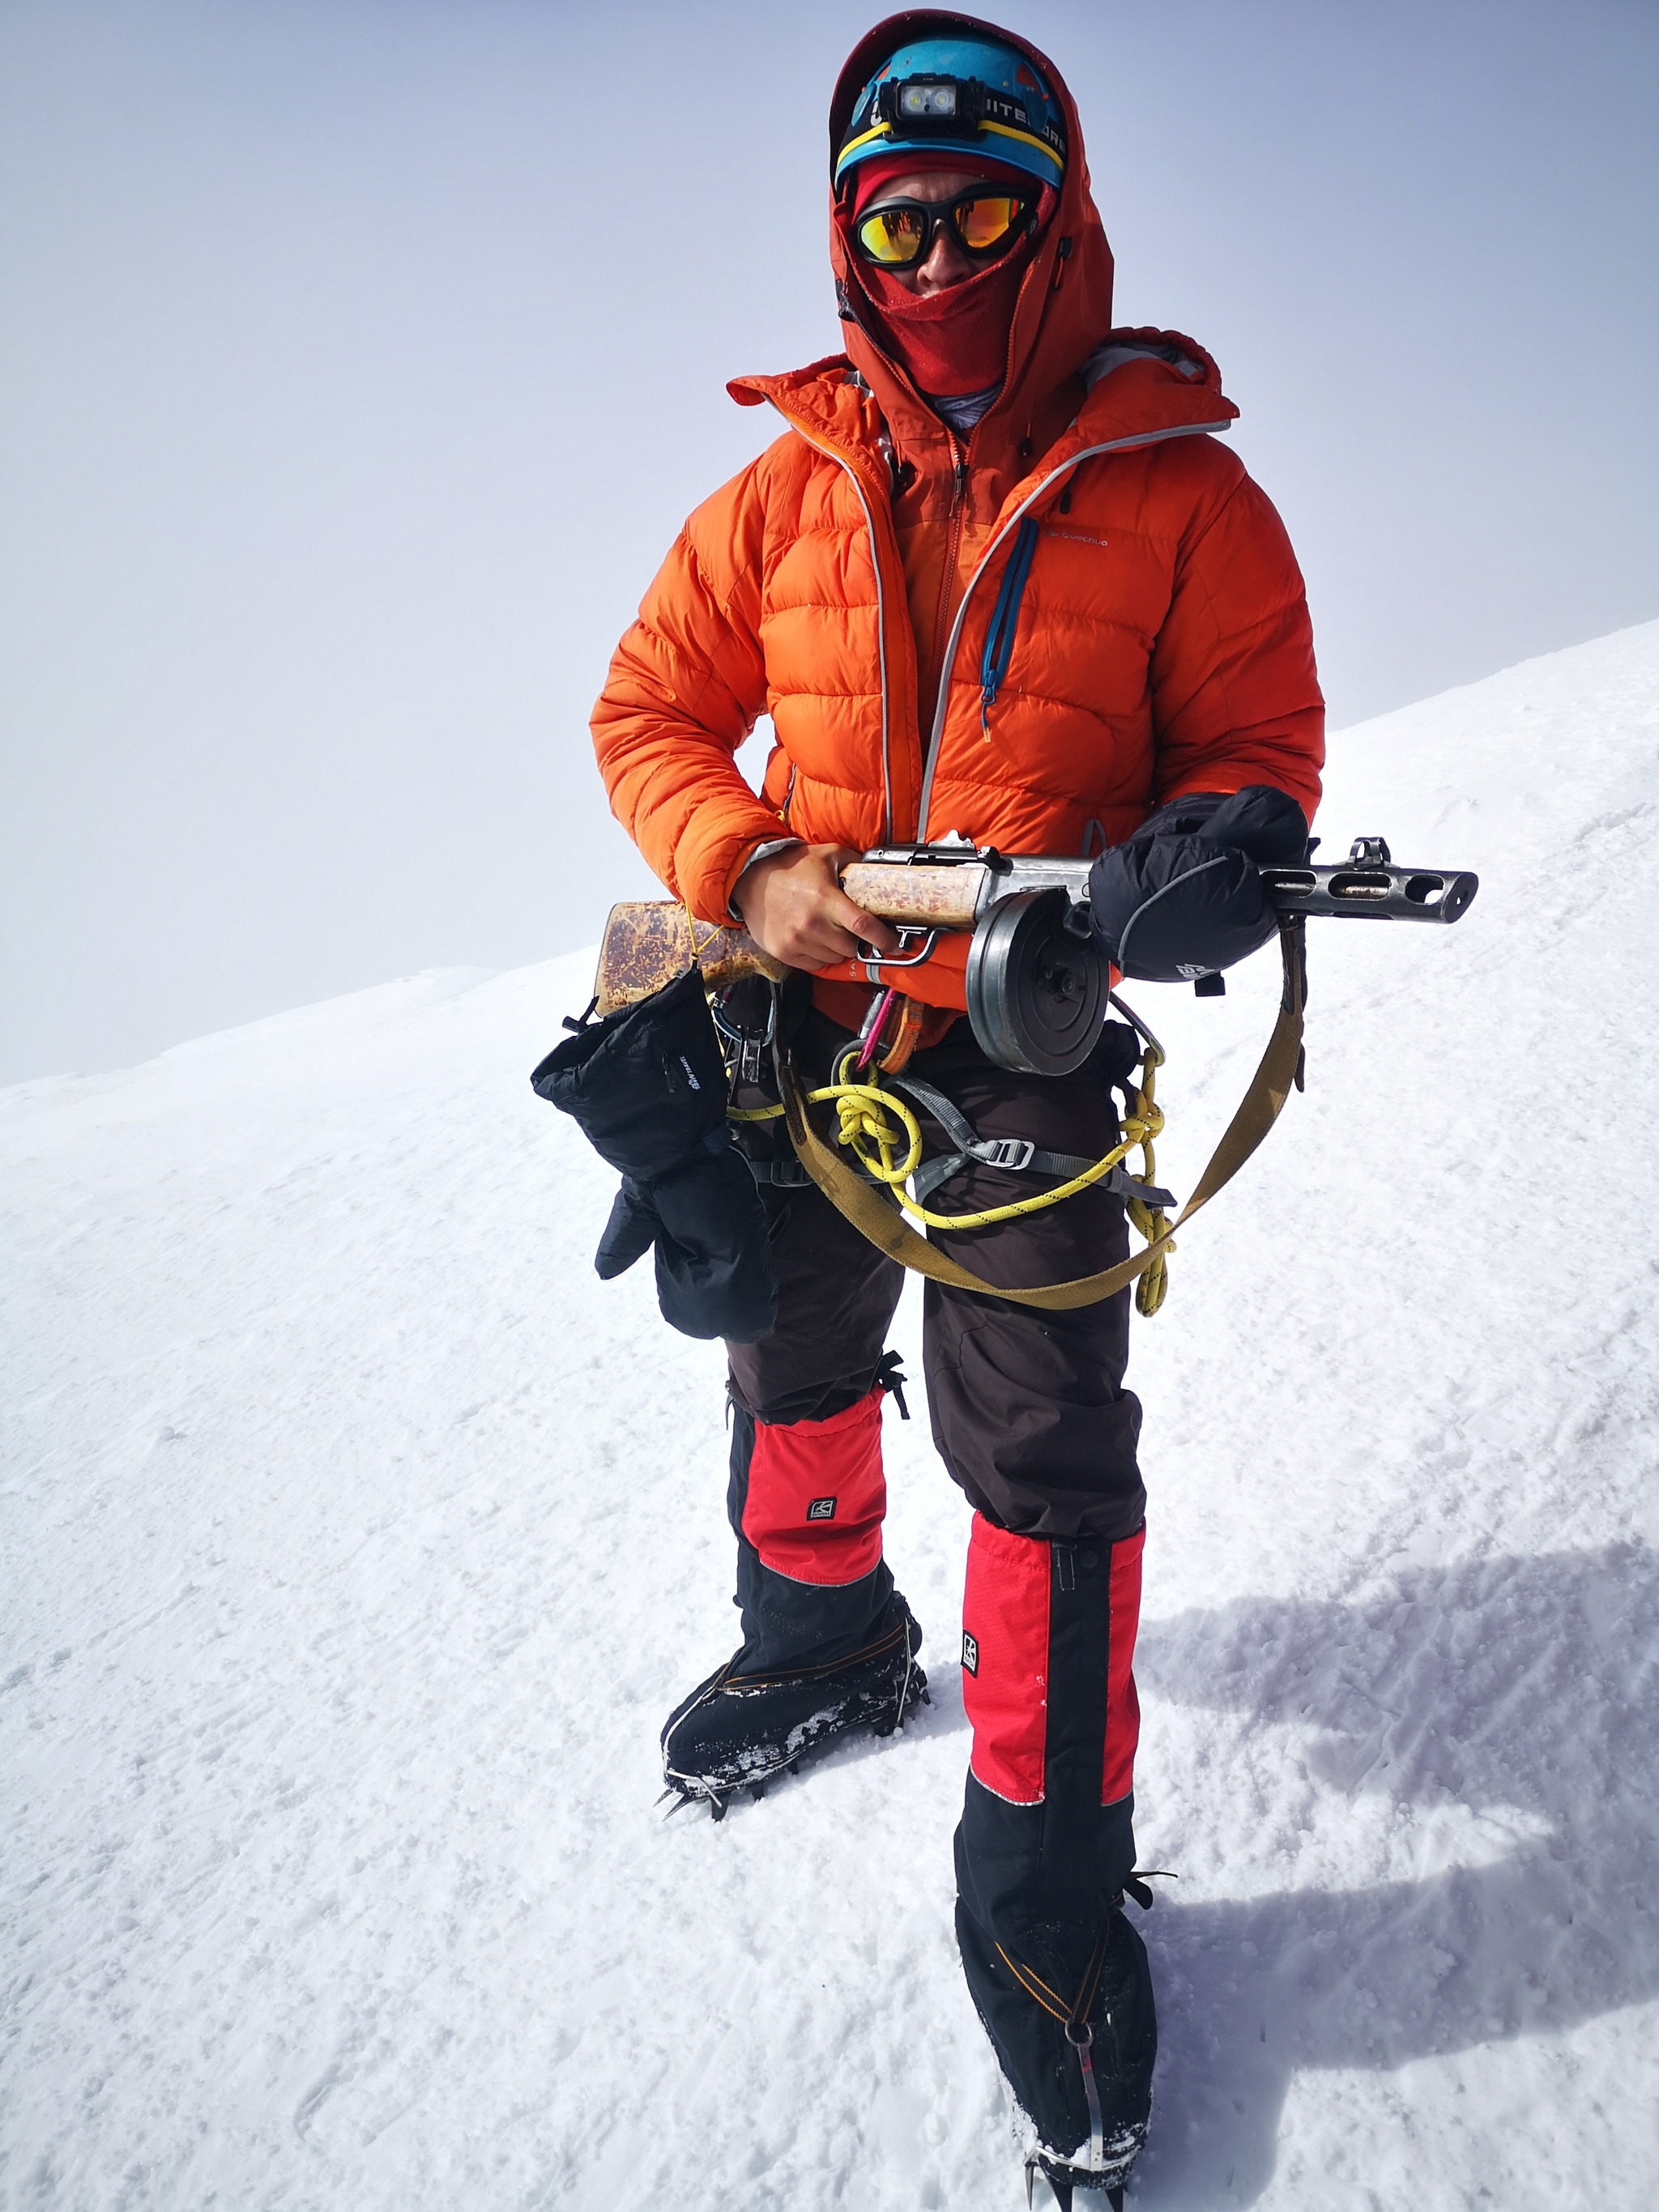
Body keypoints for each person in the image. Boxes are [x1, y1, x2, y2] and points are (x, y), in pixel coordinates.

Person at [590, 14, 1323, 2203]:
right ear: (845, 239)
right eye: (889, 221)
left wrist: (1221, 845)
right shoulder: (780, 493)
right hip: (799, 1023)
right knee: (785, 1339)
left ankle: (1046, 1881)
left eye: (975, 212)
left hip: (1025, 1043)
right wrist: (747, 869)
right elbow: (647, 711)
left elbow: (1264, 755)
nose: (930, 258)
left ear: (1057, 211)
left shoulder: (1185, 493)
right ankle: (822, 1628)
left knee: (1037, 1444)